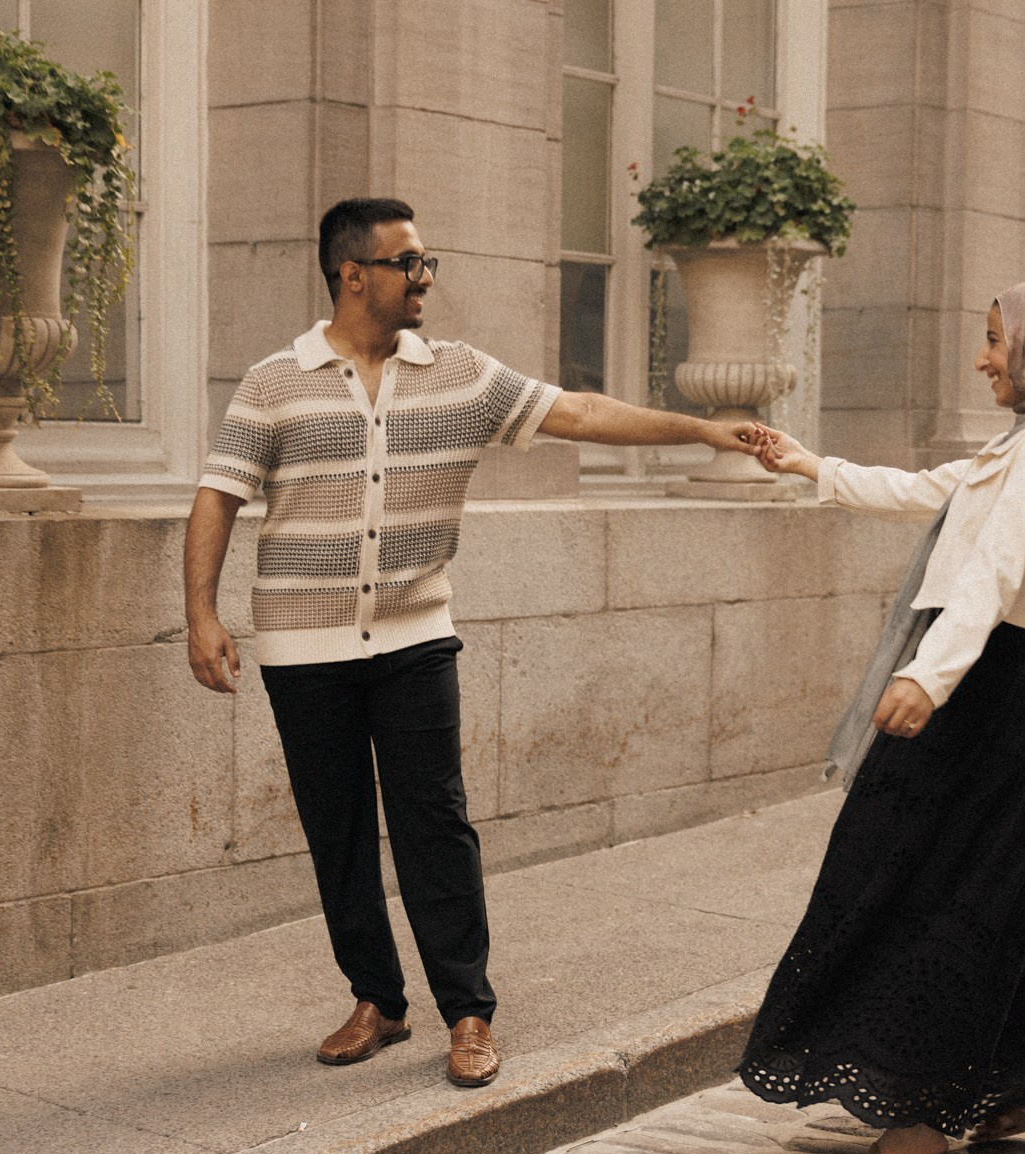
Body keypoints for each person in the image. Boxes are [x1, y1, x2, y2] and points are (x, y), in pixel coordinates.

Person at [185, 197, 764, 1088]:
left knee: (436, 825)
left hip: (416, 637)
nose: (424, 278)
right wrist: (202, 614)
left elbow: (580, 412)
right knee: (336, 832)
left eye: (427, 262)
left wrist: (699, 428)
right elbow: (218, 495)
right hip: (304, 647)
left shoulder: (459, 376)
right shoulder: (274, 383)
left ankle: (468, 1012)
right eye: (407, 263)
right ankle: (376, 999)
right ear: (352, 274)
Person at [737, 279, 1025, 1154]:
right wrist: (808, 464)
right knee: (959, 889)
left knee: (928, 892)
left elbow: (993, 575)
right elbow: (926, 492)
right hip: (991, 689)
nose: (986, 357)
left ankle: (925, 1118)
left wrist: (927, 673)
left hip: (988, 690)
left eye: (997, 341)